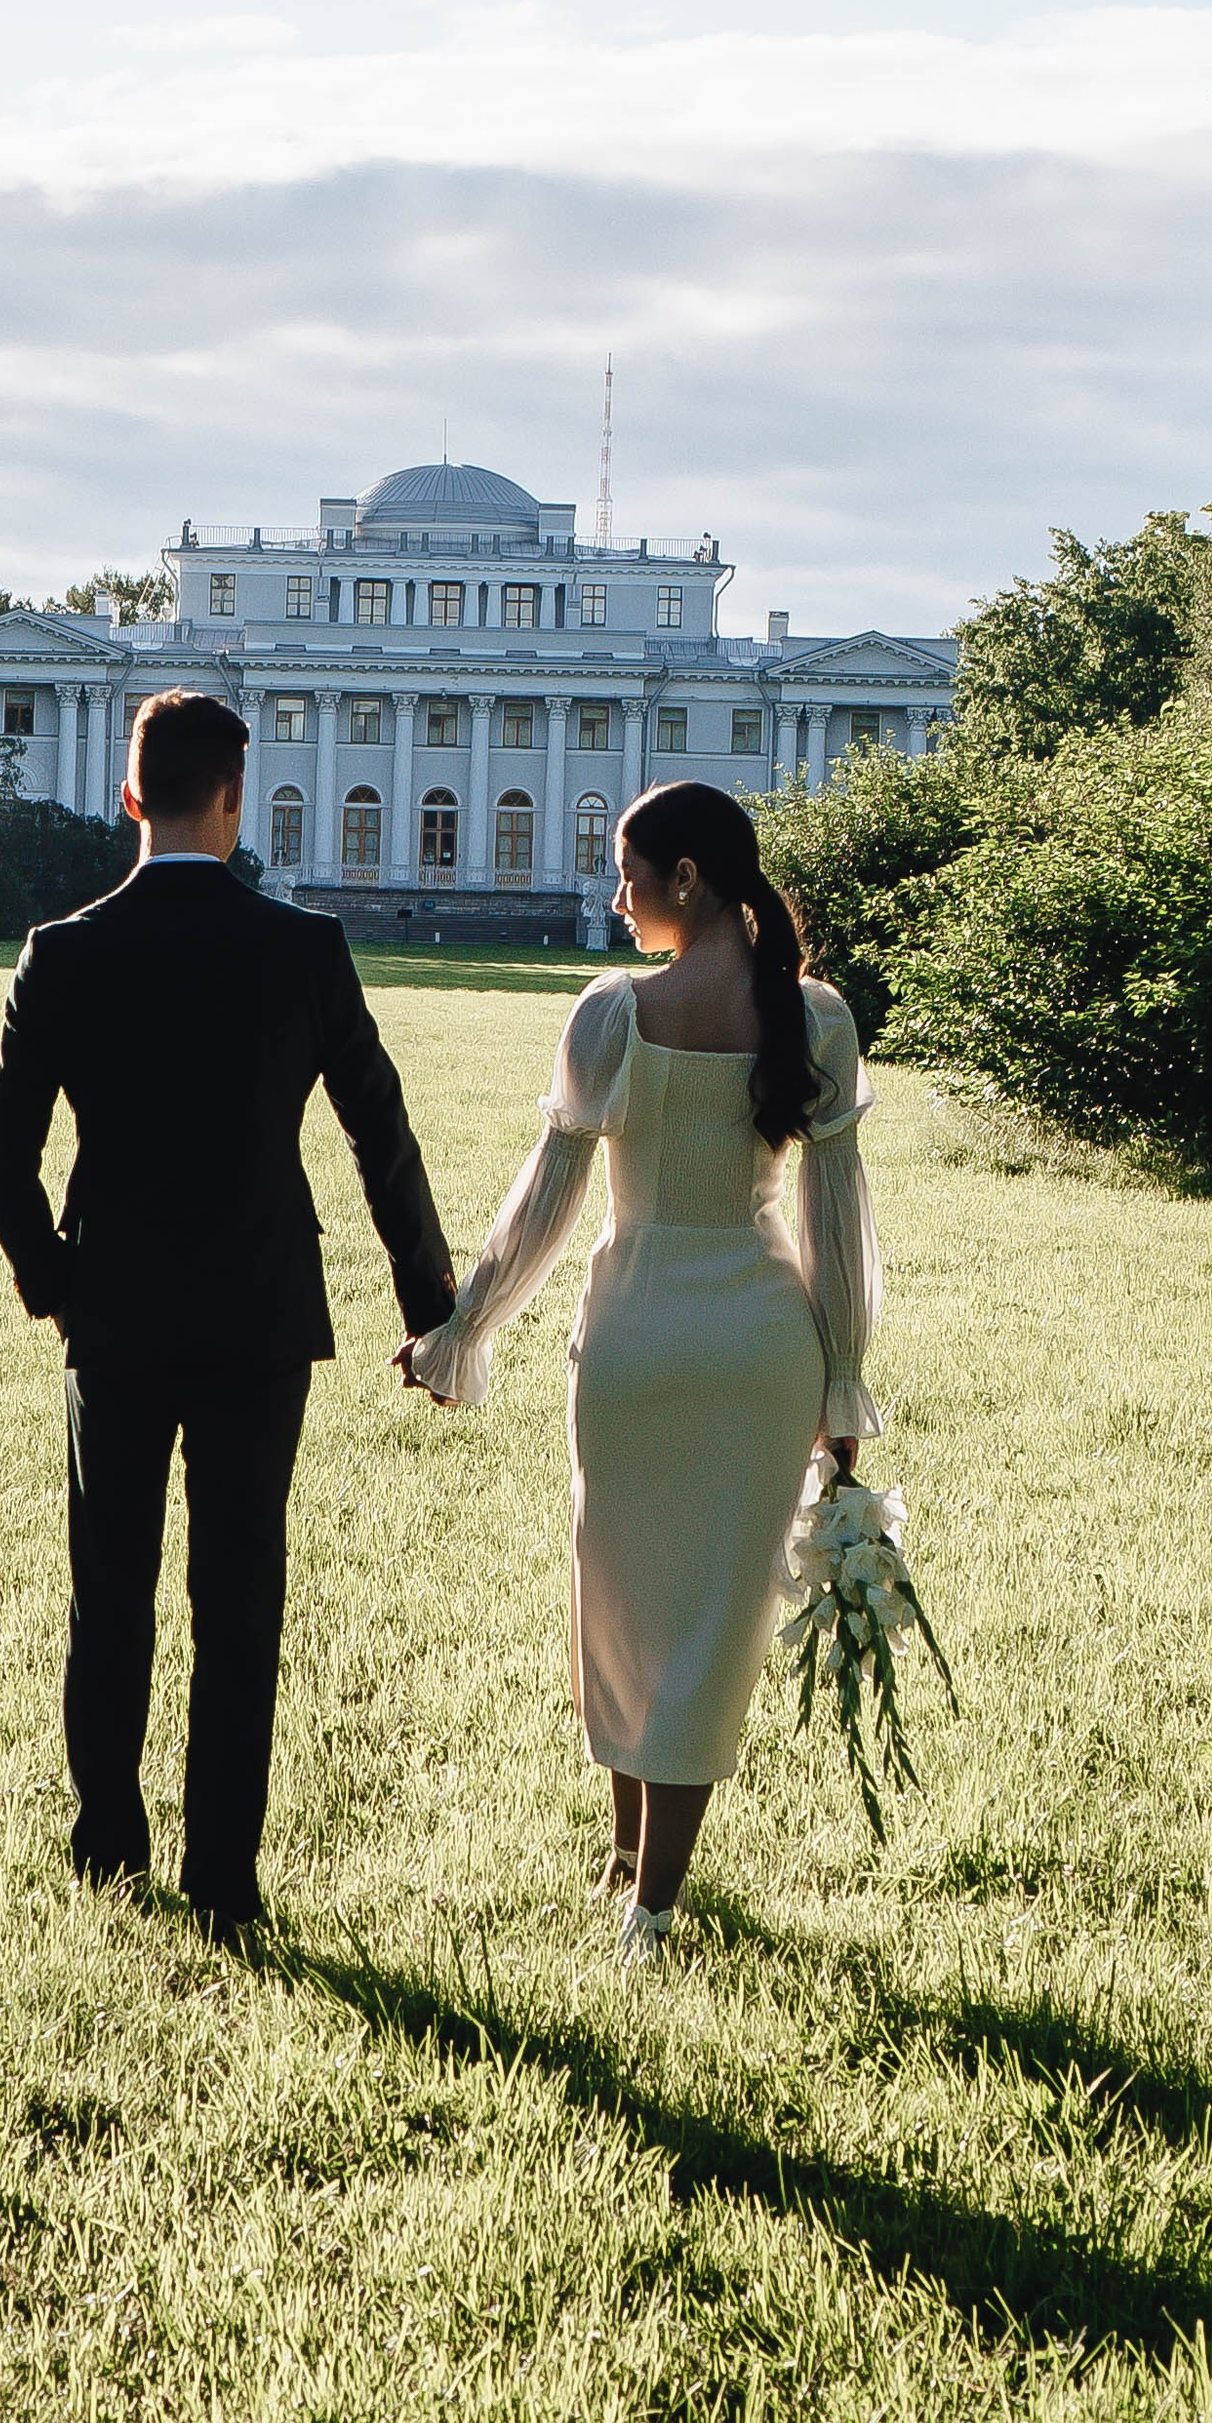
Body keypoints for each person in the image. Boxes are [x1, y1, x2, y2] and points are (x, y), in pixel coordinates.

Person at [0, 687, 454, 1948]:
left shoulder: (61, 951)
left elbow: (0, 1160)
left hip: (117, 1310)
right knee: (239, 1598)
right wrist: (432, 1306)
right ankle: (226, 1879)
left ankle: (108, 1846)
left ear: (129, 795)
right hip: (258, 1312)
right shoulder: (303, 948)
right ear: (234, 803)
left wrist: (55, 1283)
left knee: (108, 1589)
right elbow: (378, 1134)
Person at [403, 781, 881, 1965]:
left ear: (684, 880)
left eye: (626, 874)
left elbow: (548, 1204)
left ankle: (643, 1897)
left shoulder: (610, 1015)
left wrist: (465, 1326)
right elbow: (837, 1223)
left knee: (619, 1602)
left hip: (631, 1335)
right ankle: (643, 1887)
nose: (614, 899)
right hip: (759, 1343)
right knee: (709, 1618)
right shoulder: (813, 1017)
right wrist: (841, 1380)